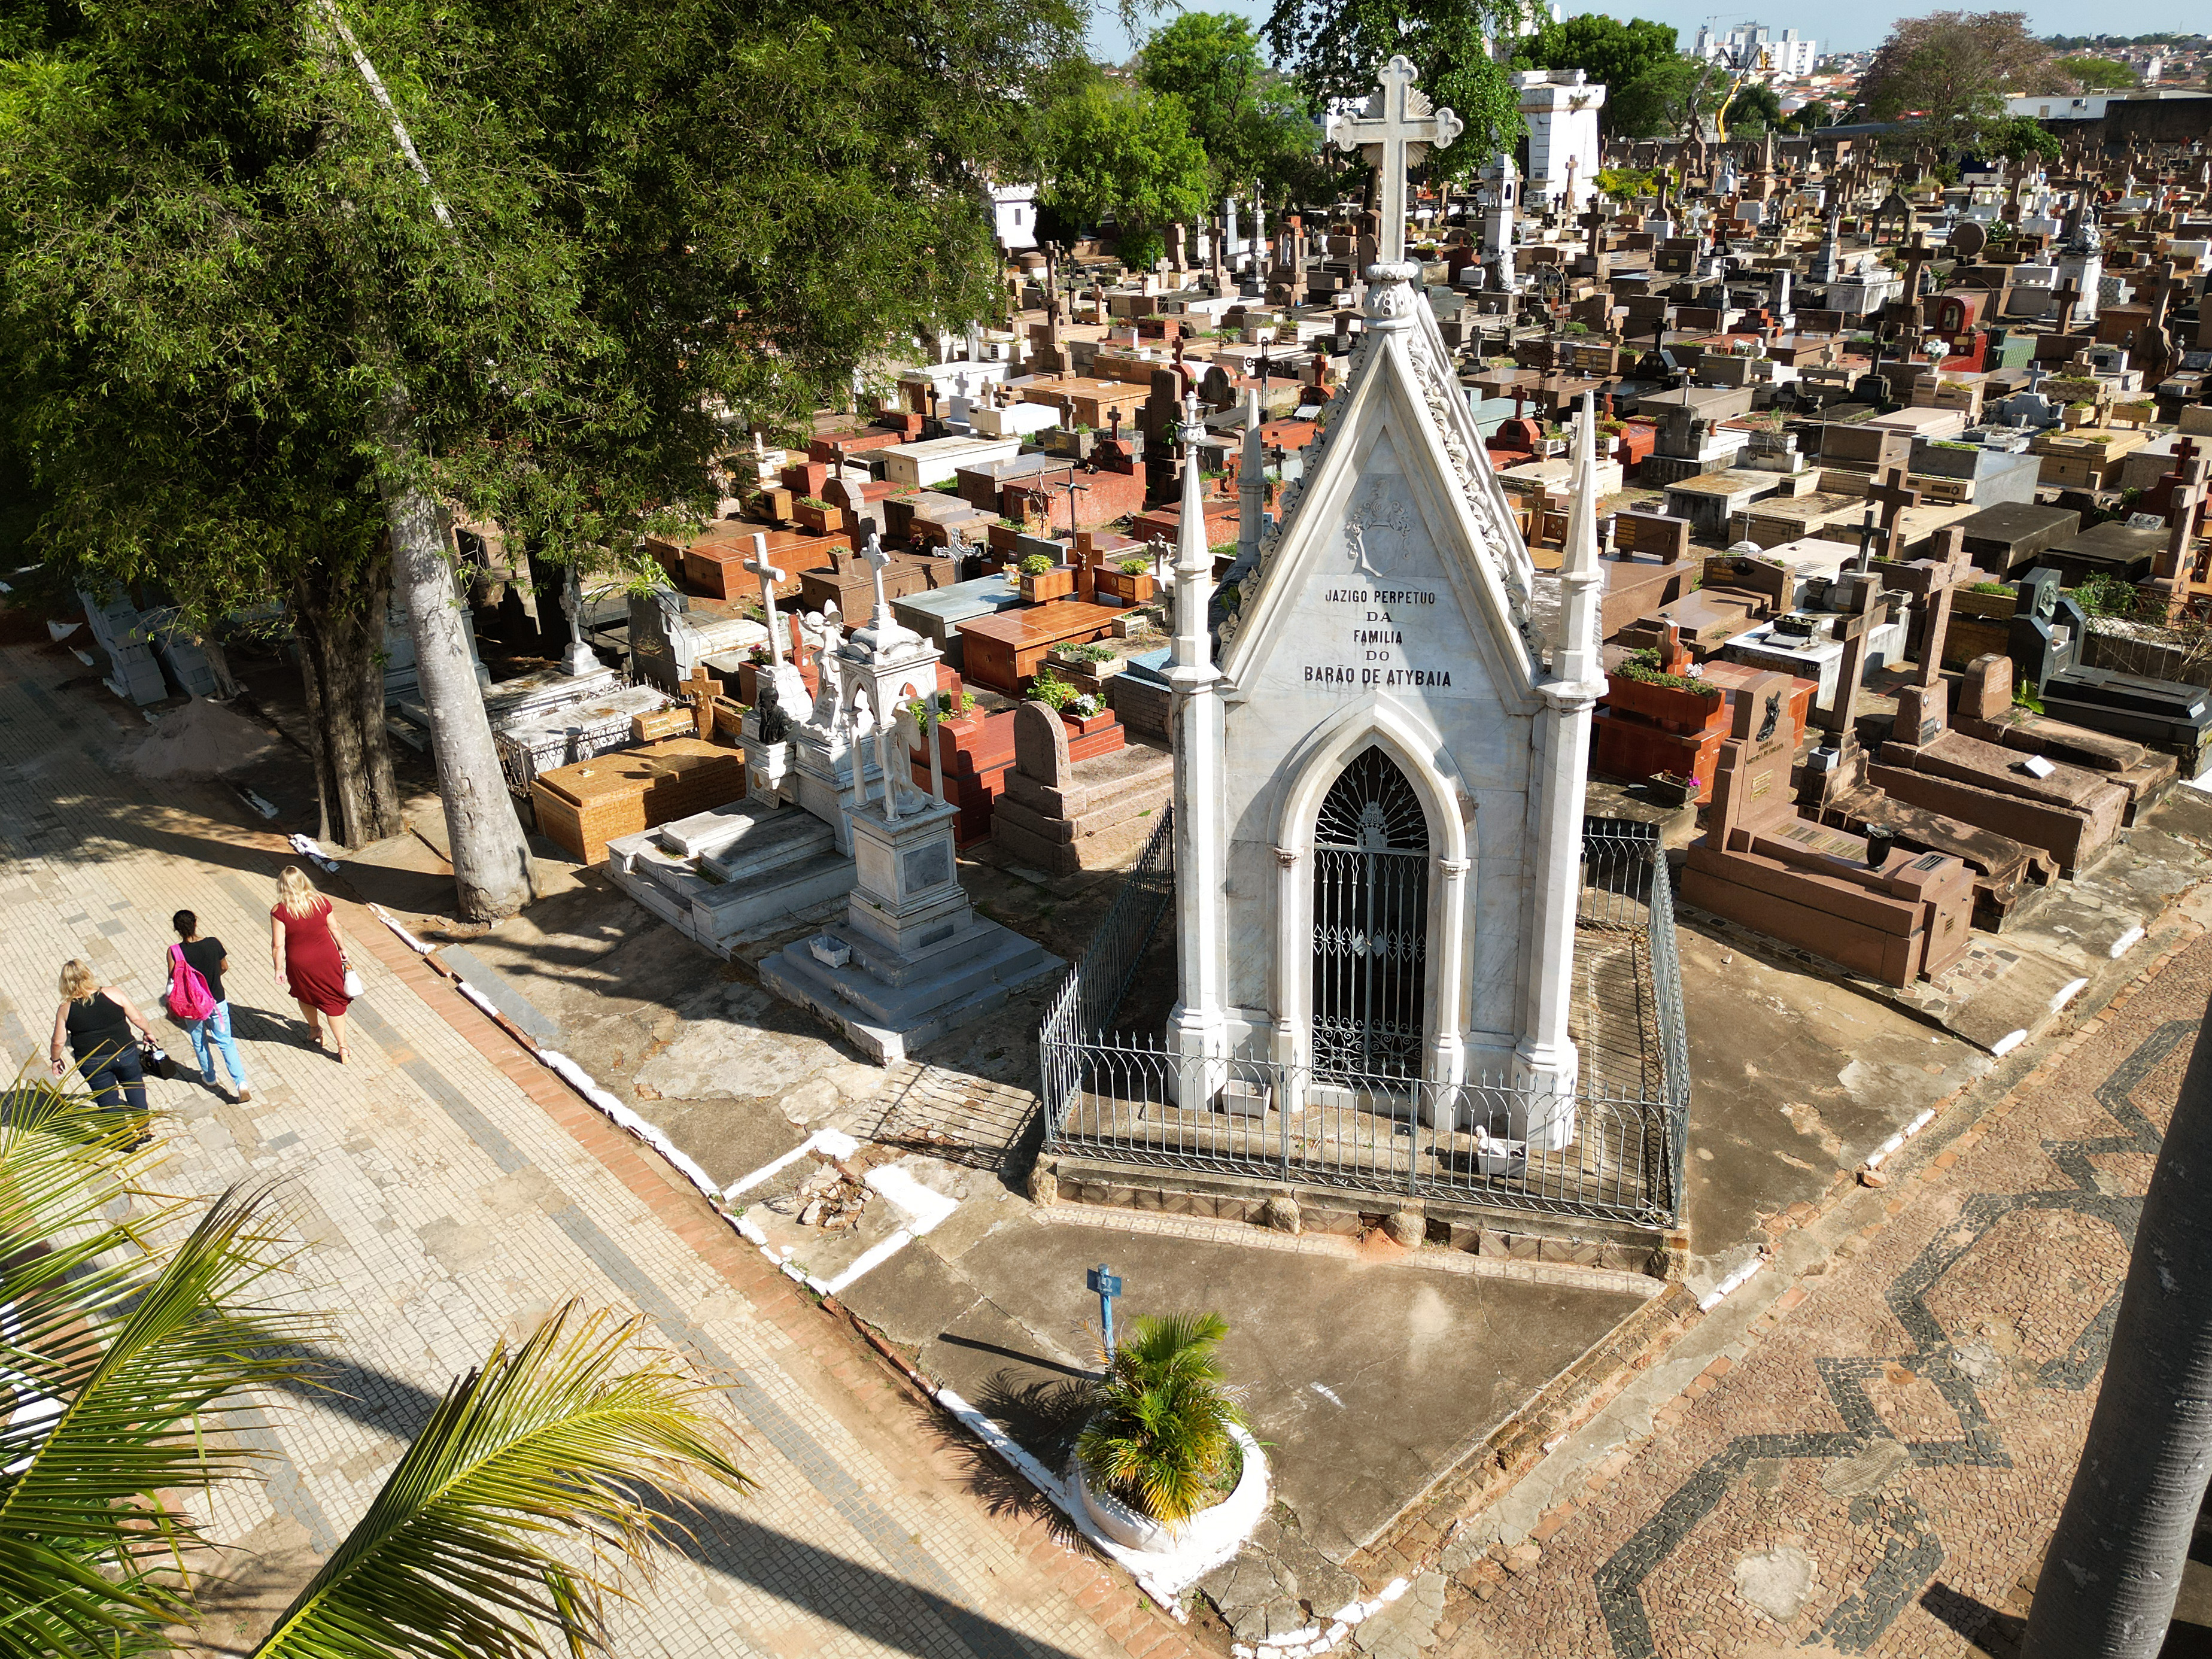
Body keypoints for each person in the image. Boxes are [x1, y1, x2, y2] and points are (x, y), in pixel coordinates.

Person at [49, 959, 158, 1122]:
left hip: (92, 1061)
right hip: (125, 1053)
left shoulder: (66, 1008)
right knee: (134, 1086)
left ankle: (124, 1139)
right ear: (88, 974)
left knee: (107, 1100)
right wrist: (148, 1032)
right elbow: (137, 1018)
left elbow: (58, 1042)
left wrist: (55, 1059)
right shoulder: (113, 993)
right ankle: (143, 1129)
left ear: (65, 983)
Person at [271, 865, 354, 1062]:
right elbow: (335, 928)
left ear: (282, 886)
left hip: (300, 964)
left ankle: (315, 1029)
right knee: (333, 1000)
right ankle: (343, 1047)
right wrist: (342, 948)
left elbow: (278, 945)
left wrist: (278, 969)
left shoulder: (280, 911)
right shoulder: (321, 902)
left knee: (305, 994)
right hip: (327, 958)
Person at [169, 910, 251, 1102]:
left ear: (176, 929)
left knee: (199, 1041)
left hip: (192, 1006)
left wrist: (172, 1005)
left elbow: (172, 981)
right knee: (226, 1042)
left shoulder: (175, 951)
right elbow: (224, 967)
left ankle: (210, 1077)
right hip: (216, 1002)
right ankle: (241, 1083)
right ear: (196, 923)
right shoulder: (213, 943)